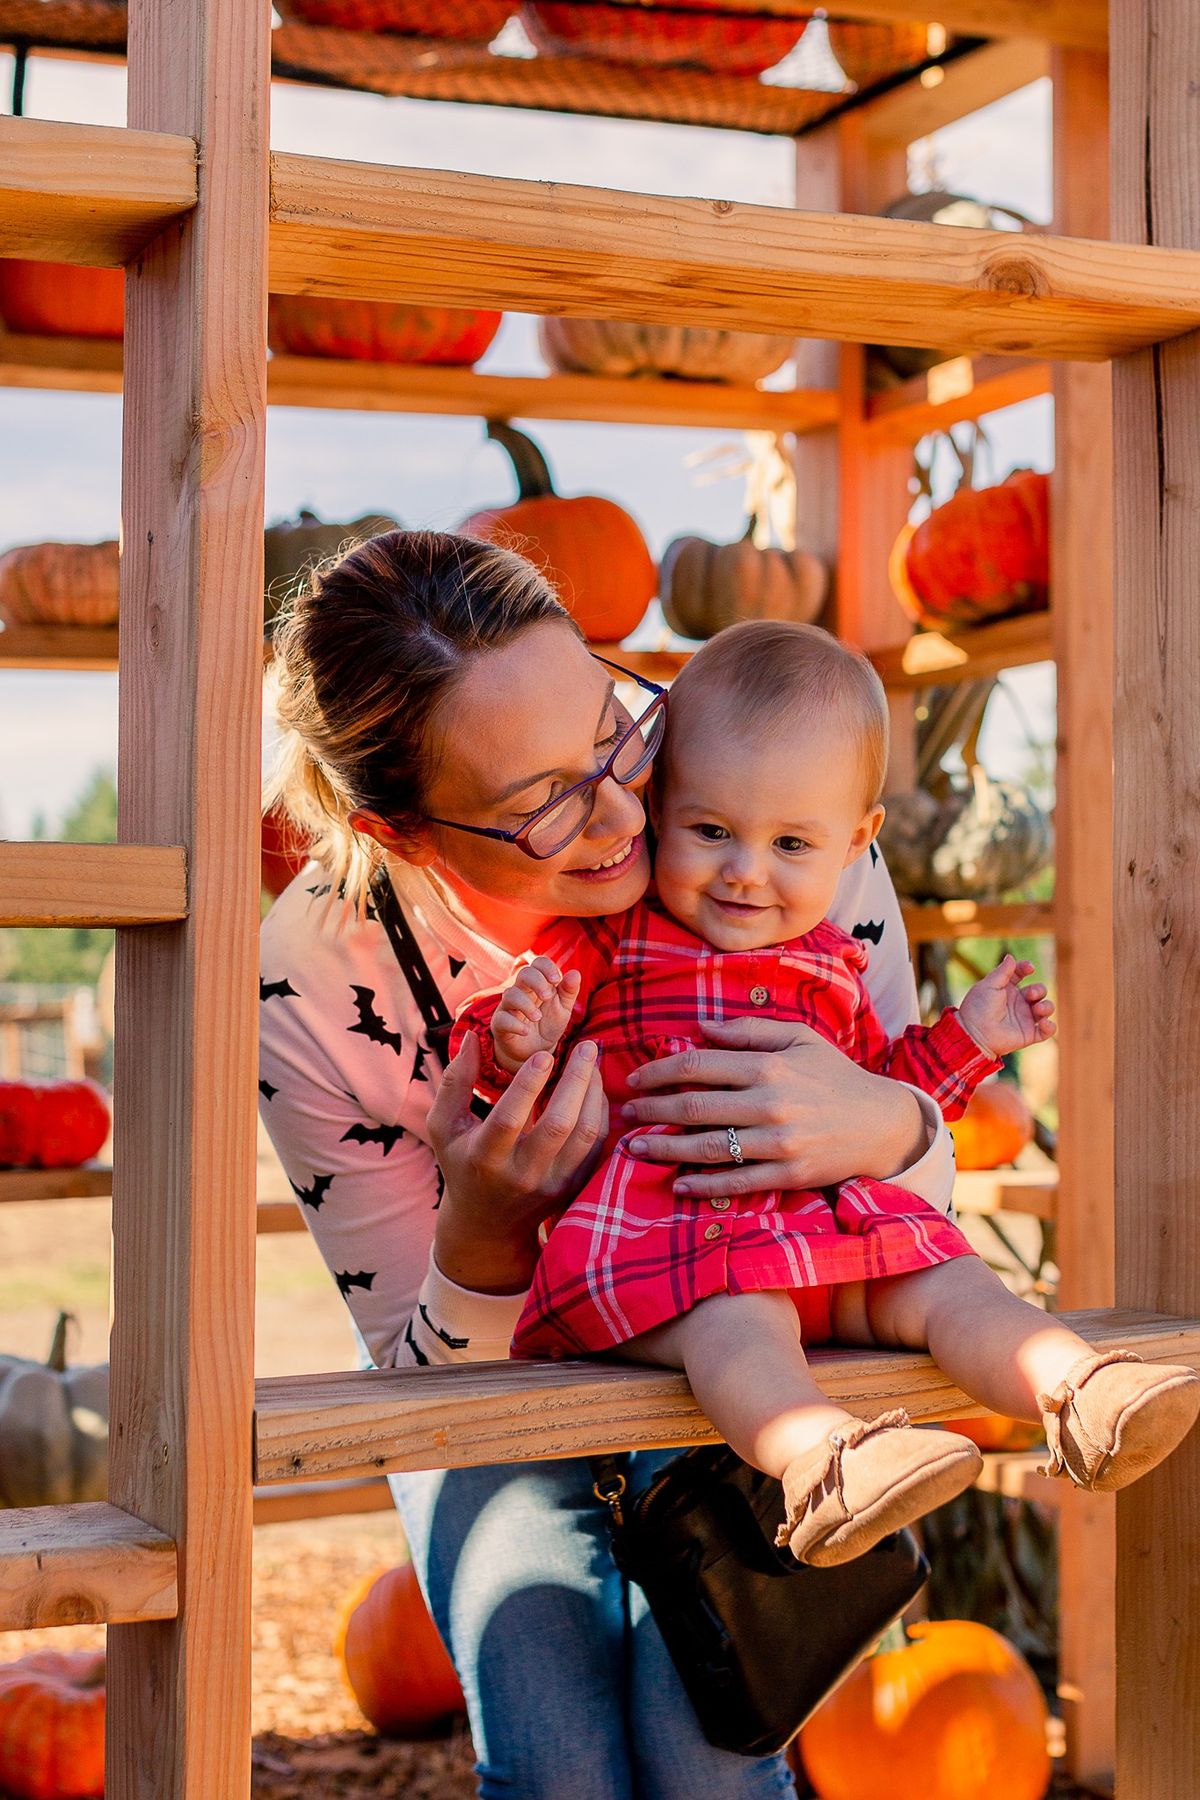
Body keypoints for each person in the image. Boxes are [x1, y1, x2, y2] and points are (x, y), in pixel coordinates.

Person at [260, 531, 967, 1799]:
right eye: (543, 802)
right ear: (405, 833)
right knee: (561, 1766)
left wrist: (890, 1129)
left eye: (611, 732)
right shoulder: (317, 978)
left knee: (716, 1756)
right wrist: (483, 1236)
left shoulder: (768, 797)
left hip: (753, 1334)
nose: (628, 809)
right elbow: (420, 1379)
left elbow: (915, 1187)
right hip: (490, 1395)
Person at [458, 621, 1200, 1568]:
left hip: (835, 1236)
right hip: (682, 1233)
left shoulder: (836, 963)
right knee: (738, 1325)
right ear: (663, 802)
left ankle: (1078, 1390)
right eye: (712, 830)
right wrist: (516, 1034)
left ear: (854, 843)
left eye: (791, 843)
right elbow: (515, 1054)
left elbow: (882, 1090)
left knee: (953, 1283)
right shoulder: (614, 940)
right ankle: (826, 1464)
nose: (745, 871)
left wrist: (972, 1036)